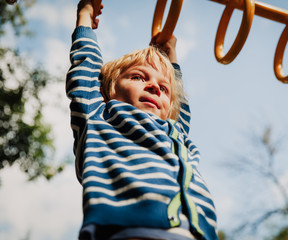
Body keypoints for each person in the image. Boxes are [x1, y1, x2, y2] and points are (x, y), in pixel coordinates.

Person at [66, 0, 218, 239]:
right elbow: (84, 67)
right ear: (107, 91)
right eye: (138, 77)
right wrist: (85, 16)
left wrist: (170, 56)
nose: (155, 88)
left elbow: (177, 99)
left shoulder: (174, 129)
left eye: (163, 88)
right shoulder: (99, 118)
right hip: (130, 231)